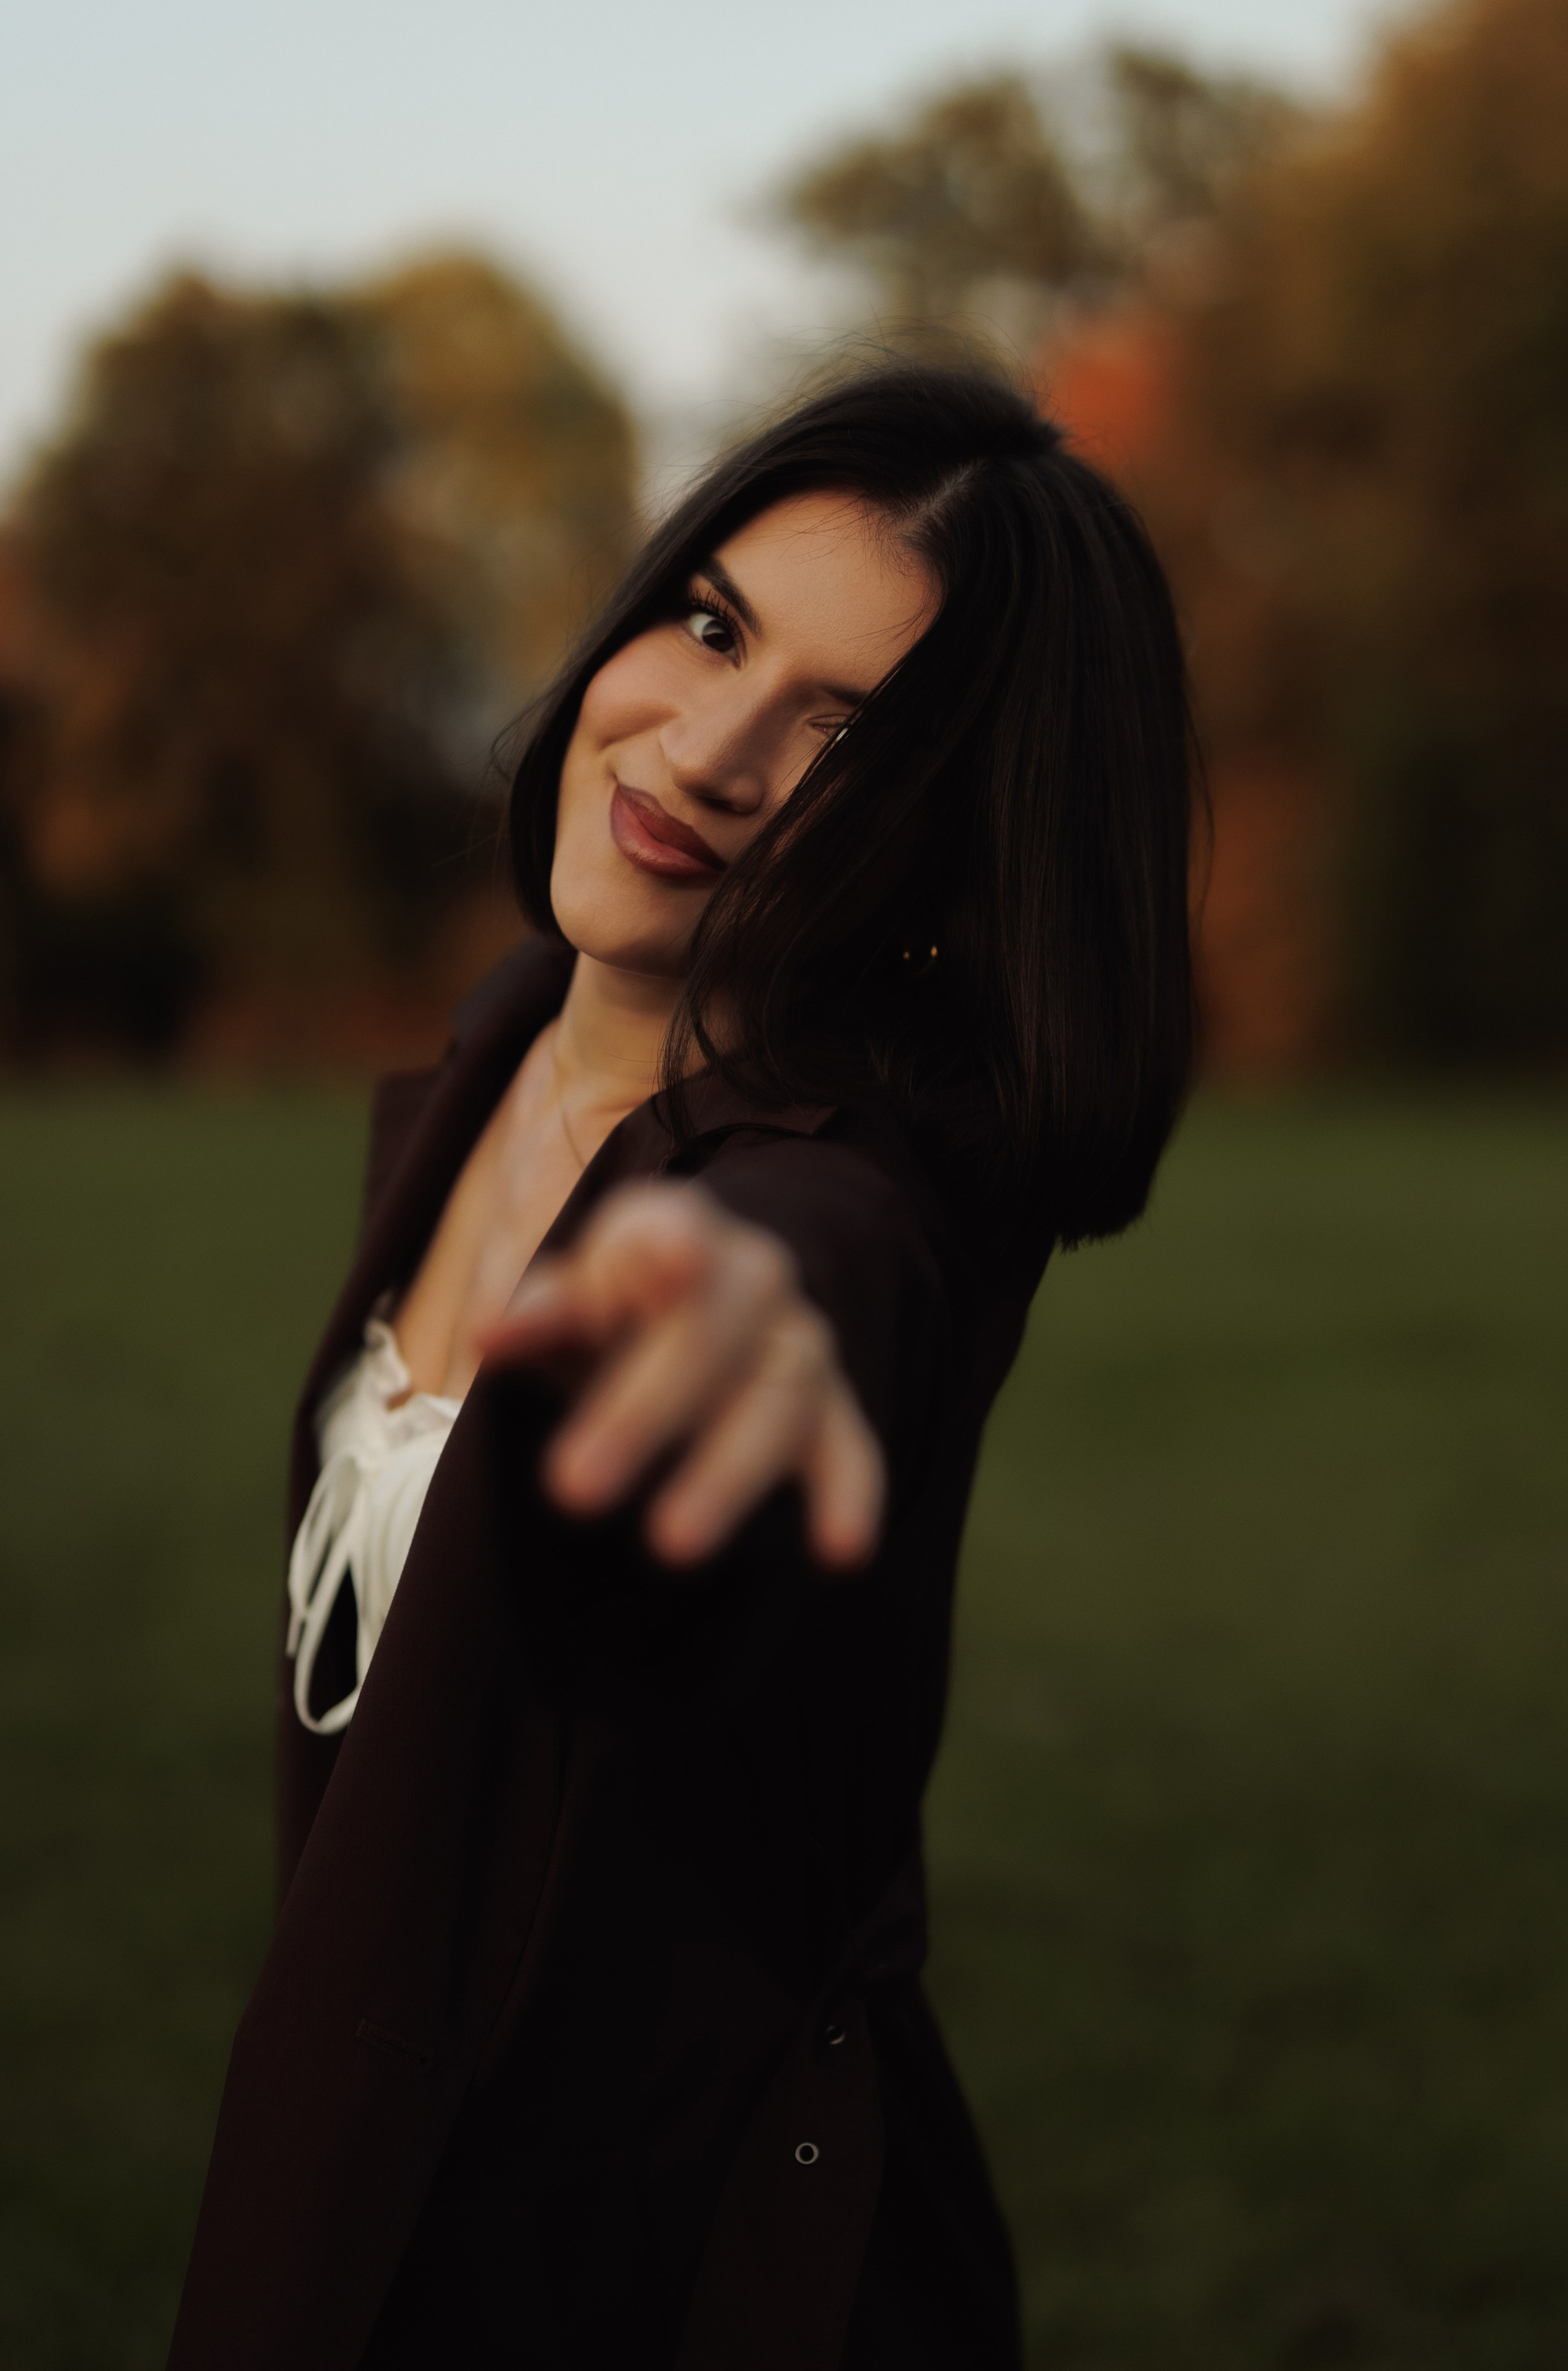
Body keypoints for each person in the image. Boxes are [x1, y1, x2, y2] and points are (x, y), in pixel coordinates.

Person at [167, 360, 1196, 2370]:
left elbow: (799, 1265)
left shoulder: (863, 1195)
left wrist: (734, 1317)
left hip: (686, 2276)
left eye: (849, 739)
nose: (711, 750)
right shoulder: (502, 1043)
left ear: (944, 854)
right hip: (385, 2182)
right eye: (714, 624)